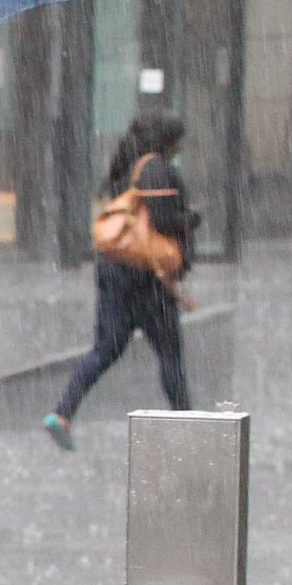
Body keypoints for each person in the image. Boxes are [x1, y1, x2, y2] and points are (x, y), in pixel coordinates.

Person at [44, 111, 198, 449]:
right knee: (170, 355)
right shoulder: (155, 168)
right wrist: (191, 219)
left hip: (114, 273)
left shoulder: (126, 168)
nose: (179, 148)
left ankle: (63, 413)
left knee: (104, 350)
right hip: (147, 277)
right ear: (167, 141)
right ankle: (187, 429)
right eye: (178, 141)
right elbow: (163, 219)